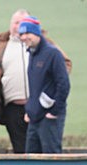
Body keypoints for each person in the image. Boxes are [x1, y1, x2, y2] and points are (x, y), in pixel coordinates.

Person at [0, 9, 72, 153]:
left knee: (49, 152)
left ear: (36, 31)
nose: (22, 33)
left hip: (46, 110)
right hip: (18, 110)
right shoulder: (4, 49)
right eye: (17, 24)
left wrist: (53, 103)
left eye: (25, 28)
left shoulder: (50, 49)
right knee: (24, 153)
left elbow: (63, 78)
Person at [19, 16, 70, 154]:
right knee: (31, 158)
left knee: (51, 158)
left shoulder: (52, 54)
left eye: (27, 33)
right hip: (34, 118)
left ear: (36, 33)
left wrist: (54, 111)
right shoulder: (32, 54)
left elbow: (63, 84)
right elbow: (35, 87)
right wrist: (29, 109)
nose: (24, 37)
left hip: (49, 118)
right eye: (21, 34)